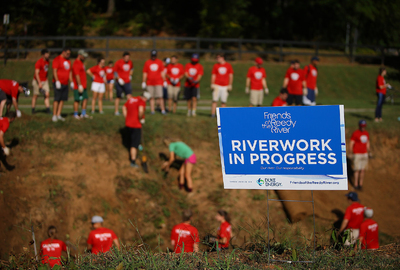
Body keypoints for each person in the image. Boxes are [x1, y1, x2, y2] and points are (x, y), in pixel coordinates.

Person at [122, 91, 150, 168]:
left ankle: (133, 155)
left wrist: (126, 117)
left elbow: (124, 107)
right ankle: (133, 161)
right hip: (136, 125)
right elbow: (141, 110)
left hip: (128, 124)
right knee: (134, 144)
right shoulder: (141, 101)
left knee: (131, 141)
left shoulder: (132, 99)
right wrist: (140, 118)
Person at [142, 50, 166, 114]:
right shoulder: (147, 62)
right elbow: (145, 72)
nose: (153, 57)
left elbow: (162, 72)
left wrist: (164, 80)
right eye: (152, 55)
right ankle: (152, 110)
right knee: (151, 97)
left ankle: (162, 110)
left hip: (158, 82)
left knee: (160, 96)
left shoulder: (159, 62)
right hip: (150, 82)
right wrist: (143, 81)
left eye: (154, 56)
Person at [52, 47, 72, 122]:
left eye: (69, 54)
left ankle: (58, 114)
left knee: (62, 99)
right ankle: (54, 115)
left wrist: (71, 81)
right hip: (58, 82)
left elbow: (69, 71)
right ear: (63, 52)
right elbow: (54, 70)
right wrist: (57, 81)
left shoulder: (68, 61)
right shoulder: (57, 59)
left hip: (65, 82)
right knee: (57, 99)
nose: (68, 55)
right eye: (67, 53)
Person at [349, 120, 370, 190]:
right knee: (356, 170)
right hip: (357, 153)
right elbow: (351, 143)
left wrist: (369, 152)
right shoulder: (355, 133)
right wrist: (350, 152)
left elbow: (367, 143)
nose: (363, 128)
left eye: (364, 127)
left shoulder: (366, 133)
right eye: (362, 126)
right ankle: (355, 184)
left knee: (362, 170)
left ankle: (360, 184)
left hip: (364, 153)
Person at [31, 48, 51, 114]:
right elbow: (36, 73)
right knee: (35, 95)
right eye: (46, 54)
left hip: (44, 80)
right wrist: (39, 83)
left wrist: (46, 78)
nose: (48, 55)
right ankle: (33, 109)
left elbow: (46, 71)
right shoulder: (39, 62)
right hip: (38, 80)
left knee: (47, 94)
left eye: (48, 53)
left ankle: (48, 109)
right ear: (43, 54)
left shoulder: (48, 61)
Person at [71, 49, 89, 119]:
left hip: (83, 85)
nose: (84, 58)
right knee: (77, 100)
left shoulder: (81, 63)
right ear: (79, 55)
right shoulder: (76, 63)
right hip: (78, 85)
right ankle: (75, 114)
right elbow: (77, 75)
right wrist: (79, 85)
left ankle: (83, 113)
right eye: (83, 56)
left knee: (85, 98)